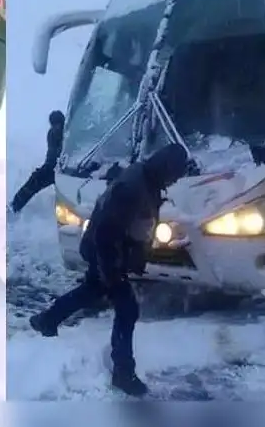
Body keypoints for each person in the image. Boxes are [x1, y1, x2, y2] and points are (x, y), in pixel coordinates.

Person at [27, 143, 193, 397]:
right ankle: (123, 372)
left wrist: (136, 255)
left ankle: (46, 320)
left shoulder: (146, 178)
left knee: (91, 290)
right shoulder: (132, 188)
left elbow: (134, 225)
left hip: (110, 253)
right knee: (127, 309)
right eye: (176, 174)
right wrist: (113, 272)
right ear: (167, 168)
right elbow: (107, 233)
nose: (175, 180)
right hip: (106, 252)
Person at [10, 110, 65, 214]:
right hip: (56, 168)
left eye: (59, 124)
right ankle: (15, 206)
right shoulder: (51, 134)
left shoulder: (71, 132)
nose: (57, 128)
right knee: (36, 178)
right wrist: (45, 169)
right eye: (54, 125)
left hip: (73, 168)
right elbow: (51, 155)